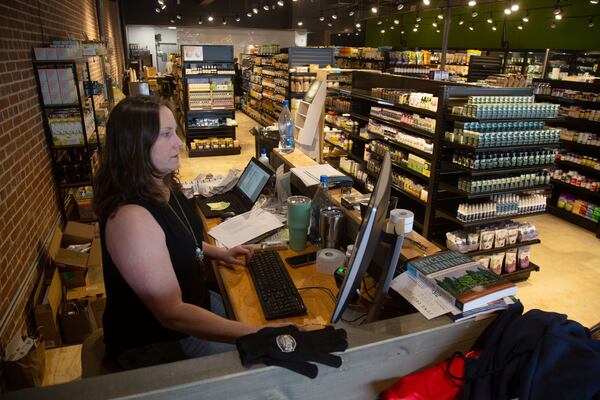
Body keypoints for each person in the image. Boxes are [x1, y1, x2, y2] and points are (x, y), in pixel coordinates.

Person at [94, 96, 262, 370]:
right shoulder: (131, 219)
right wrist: (256, 336)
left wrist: (221, 252)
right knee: (260, 356)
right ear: (135, 145)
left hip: (195, 304)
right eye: (166, 134)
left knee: (255, 316)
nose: (179, 143)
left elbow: (178, 239)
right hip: (161, 342)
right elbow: (173, 315)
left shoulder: (159, 184)